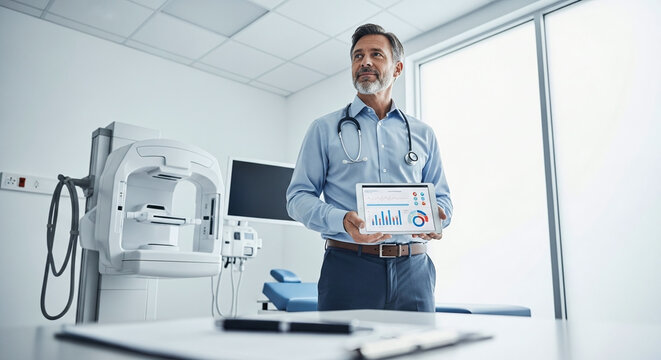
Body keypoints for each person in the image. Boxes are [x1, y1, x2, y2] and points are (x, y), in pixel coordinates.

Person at [286, 24, 452, 312]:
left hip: (415, 270)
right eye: (357, 56)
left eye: (376, 54)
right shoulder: (324, 129)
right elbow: (297, 198)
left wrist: (439, 217)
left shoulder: (423, 133)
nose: (365, 62)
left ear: (397, 68)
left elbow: (444, 199)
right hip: (349, 268)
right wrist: (341, 220)